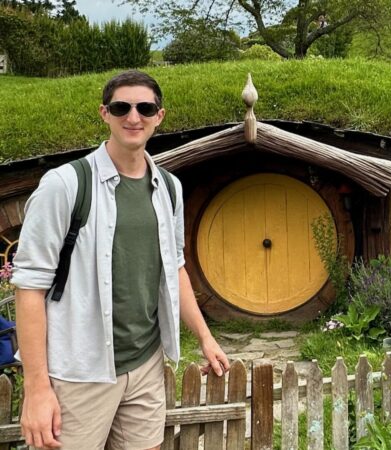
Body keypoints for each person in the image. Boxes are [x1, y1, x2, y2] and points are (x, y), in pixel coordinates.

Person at [11, 70, 229, 450]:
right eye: (121, 107)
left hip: (144, 364)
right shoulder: (65, 185)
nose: (133, 117)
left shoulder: (169, 188)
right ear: (104, 113)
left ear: (159, 116)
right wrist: (37, 388)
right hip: (80, 370)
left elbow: (173, 267)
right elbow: (29, 286)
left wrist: (205, 337)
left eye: (145, 107)